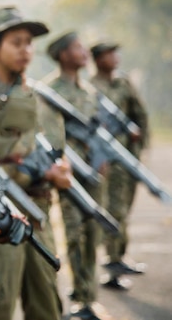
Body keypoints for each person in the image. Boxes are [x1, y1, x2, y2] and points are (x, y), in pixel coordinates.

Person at [0, 6, 71, 320]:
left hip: (39, 214)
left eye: (29, 42)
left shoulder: (40, 97)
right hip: (1, 220)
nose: (26, 50)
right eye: (16, 42)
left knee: (47, 304)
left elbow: (55, 146)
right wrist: (39, 169)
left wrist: (62, 166)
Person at [43, 31, 107, 320]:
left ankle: (89, 294)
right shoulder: (49, 90)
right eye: (78, 48)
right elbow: (49, 136)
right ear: (63, 54)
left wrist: (102, 158)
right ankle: (82, 298)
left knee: (93, 234)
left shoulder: (89, 91)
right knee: (74, 234)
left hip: (95, 174)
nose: (84, 52)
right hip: (69, 174)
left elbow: (98, 132)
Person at [89, 41, 149, 290]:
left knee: (125, 209)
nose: (115, 57)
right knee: (114, 210)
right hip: (109, 161)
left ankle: (120, 257)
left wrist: (139, 145)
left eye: (116, 53)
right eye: (109, 54)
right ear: (98, 58)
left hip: (128, 159)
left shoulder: (123, 83)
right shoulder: (91, 88)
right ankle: (113, 262)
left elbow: (139, 114)